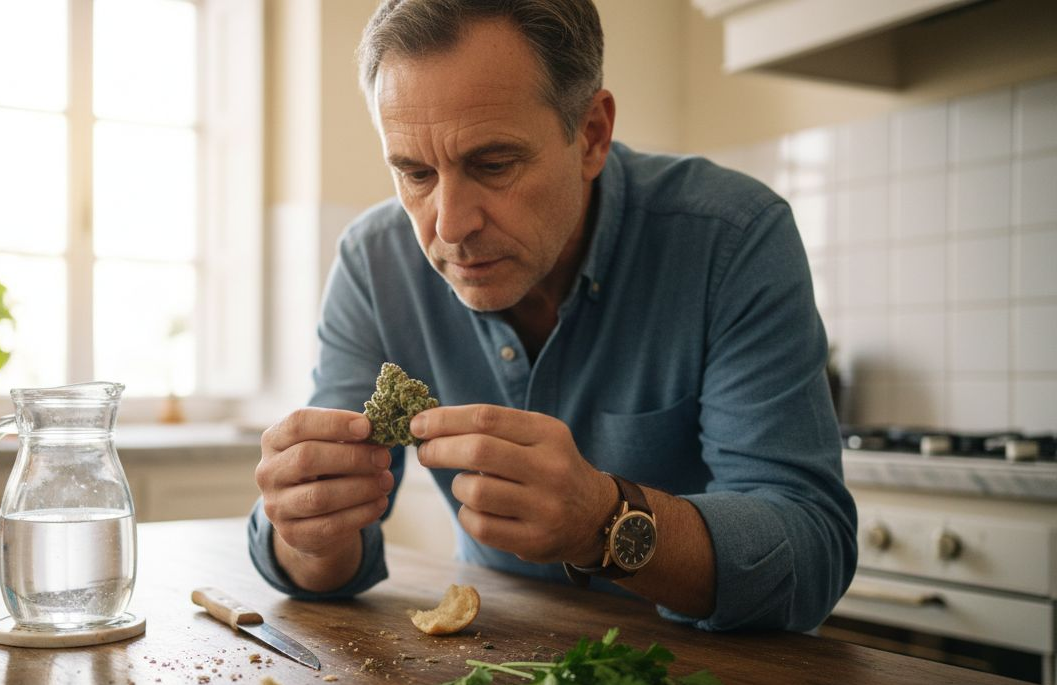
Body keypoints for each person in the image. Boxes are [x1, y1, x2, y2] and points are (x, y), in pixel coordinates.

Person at [246, 0, 857, 632]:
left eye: (493, 165)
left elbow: (811, 553)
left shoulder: (733, 239)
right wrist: (307, 530)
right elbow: (322, 557)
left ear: (591, 134)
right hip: (493, 669)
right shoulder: (374, 263)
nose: (450, 226)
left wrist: (605, 520)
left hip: (721, 682)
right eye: (416, 173)